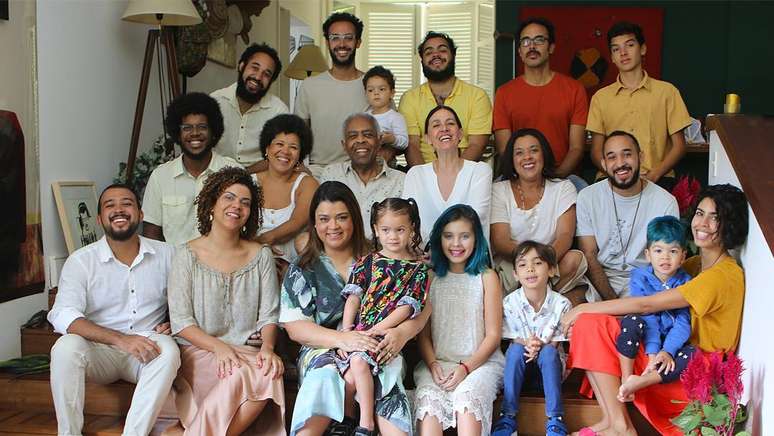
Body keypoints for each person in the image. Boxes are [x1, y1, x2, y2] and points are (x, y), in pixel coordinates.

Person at [560, 184, 749, 435]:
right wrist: (593, 314)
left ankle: (619, 427)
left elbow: (647, 304)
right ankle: (613, 422)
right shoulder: (692, 265)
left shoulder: (723, 275)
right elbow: (644, 306)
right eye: (699, 213)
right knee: (592, 325)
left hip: (691, 371)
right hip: (667, 354)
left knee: (590, 323)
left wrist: (583, 308)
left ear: (730, 225)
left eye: (715, 217)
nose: (702, 223)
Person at [280, 181, 428, 436]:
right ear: (314, 223)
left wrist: (402, 333)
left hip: (381, 342)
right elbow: (295, 327)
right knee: (325, 376)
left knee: (385, 377)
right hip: (323, 347)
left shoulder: (382, 256)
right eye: (324, 219)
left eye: (342, 217)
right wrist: (344, 339)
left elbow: (423, 304)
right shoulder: (303, 268)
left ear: (355, 219)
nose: (333, 226)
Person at [48, 183, 179, 436]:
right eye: (110, 205)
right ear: (99, 219)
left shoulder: (168, 254)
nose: (119, 209)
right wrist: (121, 340)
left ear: (140, 214)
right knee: (65, 347)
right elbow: (63, 314)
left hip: (145, 347)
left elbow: (190, 297)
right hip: (99, 351)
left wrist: (177, 321)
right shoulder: (81, 260)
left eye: (127, 203)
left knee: (168, 350)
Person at [167, 166, 285, 435]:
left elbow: (269, 314)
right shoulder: (186, 255)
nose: (237, 206)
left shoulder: (261, 256)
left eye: (245, 202)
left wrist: (268, 347)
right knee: (242, 372)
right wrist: (219, 347)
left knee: (269, 371)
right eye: (229, 198)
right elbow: (181, 322)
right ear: (212, 204)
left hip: (247, 350)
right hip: (200, 351)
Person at [336, 198, 430, 436]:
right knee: (349, 375)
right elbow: (353, 297)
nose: (393, 236)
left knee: (359, 363)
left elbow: (406, 308)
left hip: (386, 332)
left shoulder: (417, 270)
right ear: (376, 230)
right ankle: (347, 419)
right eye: (386, 230)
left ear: (412, 229)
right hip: (360, 330)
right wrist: (346, 330)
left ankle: (365, 424)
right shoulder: (368, 262)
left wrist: (378, 328)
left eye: (400, 230)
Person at [414, 204, 503, 436]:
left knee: (466, 399)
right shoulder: (430, 278)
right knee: (429, 404)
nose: (456, 244)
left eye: (464, 236)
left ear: (476, 239)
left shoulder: (487, 278)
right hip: (437, 363)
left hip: (480, 364)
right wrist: (433, 364)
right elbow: (423, 335)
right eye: (448, 236)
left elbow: (494, 336)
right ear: (439, 238)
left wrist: (465, 368)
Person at [490, 128, 592, 304]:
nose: (527, 157)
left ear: (544, 154)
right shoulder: (499, 190)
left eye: (534, 150)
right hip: (513, 266)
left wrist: (541, 264)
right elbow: (500, 241)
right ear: (511, 160)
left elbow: (564, 236)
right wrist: (529, 263)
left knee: (574, 259)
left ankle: (532, 300)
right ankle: (538, 300)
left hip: (550, 262)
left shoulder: (563, 188)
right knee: (490, 277)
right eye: (519, 153)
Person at [587, 21, 691, 190]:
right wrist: (616, 174)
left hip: (658, 178)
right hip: (611, 178)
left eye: (629, 45)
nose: (623, 53)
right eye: (616, 49)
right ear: (612, 57)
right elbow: (596, 150)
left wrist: (654, 175)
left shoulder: (667, 92)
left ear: (642, 49)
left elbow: (679, 146)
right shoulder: (600, 98)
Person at [576, 131, 678, 300]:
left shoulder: (665, 201)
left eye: (627, 154)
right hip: (600, 278)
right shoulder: (588, 197)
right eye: (612, 157)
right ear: (604, 164)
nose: (620, 163)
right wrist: (612, 301)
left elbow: (666, 260)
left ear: (640, 157)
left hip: (645, 280)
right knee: (570, 303)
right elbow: (589, 253)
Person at [492, 17, 588, 189]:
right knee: (491, 194)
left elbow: (576, 148)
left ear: (551, 47)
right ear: (519, 51)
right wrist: (527, 178)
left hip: (562, 177)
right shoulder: (504, 93)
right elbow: (505, 149)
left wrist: (556, 177)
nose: (532, 46)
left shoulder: (574, 89)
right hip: (519, 175)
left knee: (587, 193)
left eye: (539, 40)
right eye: (526, 41)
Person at [492, 241, 571, 436]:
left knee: (549, 352)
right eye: (523, 264)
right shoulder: (510, 303)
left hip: (549, 373)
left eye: (537, 263)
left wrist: (540, 346)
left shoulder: (562, 304)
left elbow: (556, 342)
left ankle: (556, 419)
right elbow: (514, 339)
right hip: (520, 373)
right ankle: (507, 416)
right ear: (515, 274)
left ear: (551, 270)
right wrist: (528, 343)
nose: (530, 269)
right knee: (515, 350)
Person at [143, 92, 240, 245]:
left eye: (202, 127)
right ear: (177, 133)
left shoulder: (234, 173)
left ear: (213, 131)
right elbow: (151, 234)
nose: (195, 133)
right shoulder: (160, 176)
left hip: (223, 259)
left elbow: (247, 225)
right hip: (174, 259)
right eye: (187, 128)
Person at [615, 216, 692, 403]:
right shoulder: (640, 278)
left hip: (672, 342)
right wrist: (652, 354)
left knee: (693, 353)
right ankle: (626, 378)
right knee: (632, 320)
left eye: (673, 251)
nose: (665, 257)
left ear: (683, 256)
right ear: (648, 254)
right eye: (658, 250)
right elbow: (647, 316)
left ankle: (643, 381)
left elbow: (683, 322)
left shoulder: (686, 283)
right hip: (645, 335)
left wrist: (667, 351)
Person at [399, 32, 492, 165]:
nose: (436, 55)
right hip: (423, 173)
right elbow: (411, 145)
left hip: (466, 172)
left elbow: (476, 145)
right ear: (422, 60)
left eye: (442, 50)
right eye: (429, 52)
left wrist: (455, 174)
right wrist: (424, 176)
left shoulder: (477, 96)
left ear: (453, 55)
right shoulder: (409, 99)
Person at [403, 105, 492, 243]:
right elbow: (407, 223)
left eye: (450, 123)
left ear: (460, 134)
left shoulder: (480, 171)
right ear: (427, 138)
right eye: (436, 125)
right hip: (424, 256)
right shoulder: (415, 175)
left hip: (468, 256)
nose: (444, 128)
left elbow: (475, 219)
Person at [294, 12, 368, 176]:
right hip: (317, 171)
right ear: (327, 42)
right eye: (335, 38)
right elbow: (297, 135)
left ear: (358, 42)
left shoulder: (373, 86)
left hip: (360, 171)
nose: (342, 44)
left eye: (348, 38)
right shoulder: (309, 86)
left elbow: (390, 132)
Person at [320, 113, 405, 239]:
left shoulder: (400, 180)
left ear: (379, 141)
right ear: (344, 145)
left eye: (368, 135)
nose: (360, 140)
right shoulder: (332, 175)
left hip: (383, 250)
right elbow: (324, 222)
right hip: (341, 248)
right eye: (353, 136)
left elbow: (404, 230)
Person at [254, 114, 319, 271]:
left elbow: (296, 224)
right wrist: (260, 250)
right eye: (279, 144)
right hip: (252, 261)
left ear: (300, 155)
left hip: (292, 267)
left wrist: (262, 242)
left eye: (293, 147)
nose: (285, 151)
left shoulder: (307, 184)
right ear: (267, 148)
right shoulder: (249, 182)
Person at [211, 43, 289, 169]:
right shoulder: (215, 101)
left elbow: (280, 155)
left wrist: (245, 174)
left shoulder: (278, 111)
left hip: (259, 175)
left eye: (266, 74)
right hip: (217, 173)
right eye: (255, 68)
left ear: (271, 81)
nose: (258, 77)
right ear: (241, 66)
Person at [363, 65, 408, 162]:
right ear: (366, 94)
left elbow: (404, 143)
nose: (376, 93)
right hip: (365, 162)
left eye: (381, 89)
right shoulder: (364, 117)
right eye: (370, 90)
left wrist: (392, 139)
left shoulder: (396, 117)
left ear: (392, 93)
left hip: (387, 164)